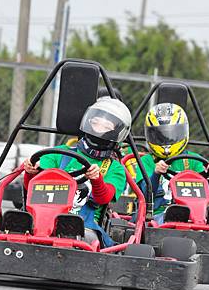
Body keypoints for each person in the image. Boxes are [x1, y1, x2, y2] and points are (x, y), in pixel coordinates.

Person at [23, 97, 132, 246]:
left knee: (73, 232)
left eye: (106, 125)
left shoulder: (115, 168)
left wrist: (96, 179)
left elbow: (104, 198)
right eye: (95, 122)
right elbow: (33, 187)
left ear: (117, 132)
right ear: (87, 122)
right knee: (17, 224)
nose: (98, 128)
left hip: (83, 225)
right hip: (42, 218)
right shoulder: (59, 153)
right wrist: (30, 172)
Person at [131, 102, 209, 223]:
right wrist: (156, 174)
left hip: (192, 215)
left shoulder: (194, 160)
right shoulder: (146, 162)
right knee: (168, 217)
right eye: (161, 135)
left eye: (171, 134)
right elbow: (146, 194)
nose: (166, 140)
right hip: (155, 215)